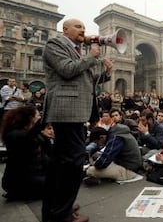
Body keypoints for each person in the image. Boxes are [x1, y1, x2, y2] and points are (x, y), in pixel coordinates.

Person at [42, 18, 113, 222]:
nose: (83, 30)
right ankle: (62, 213)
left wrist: (105, 73)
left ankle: (57, 207)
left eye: (84, 27)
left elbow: (86, 79)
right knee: (72, 163)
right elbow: (67, 70)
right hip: (66, 111)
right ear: (65, 30)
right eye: (78, 27)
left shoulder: (78, 51)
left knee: (62, 163)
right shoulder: (56, 44)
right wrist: (92, 56)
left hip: (76, 111)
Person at [1, 105, 48, 200]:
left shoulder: (33, 134)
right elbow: (28, 139)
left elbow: (45, 155)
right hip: (20, 180)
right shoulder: (14, 134)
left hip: (35, 175)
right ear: (31, 118)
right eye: (38, 115)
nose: (40, 117)